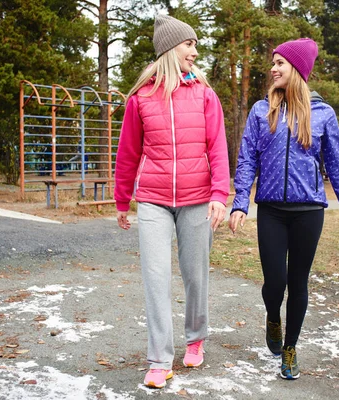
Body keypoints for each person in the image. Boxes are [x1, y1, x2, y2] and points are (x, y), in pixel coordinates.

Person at [228, 38, 339, 381]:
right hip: (271, 210)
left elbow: (336, 165)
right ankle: (273, 316)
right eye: (273, 62)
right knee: (274, 282)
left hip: (308, 212)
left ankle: (290, 349)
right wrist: (241, 202)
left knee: (298, 282)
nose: (273, 68)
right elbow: (247, 160)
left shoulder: (323, 114)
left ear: (298, 70)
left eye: (280, 63)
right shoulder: (261, 111)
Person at [114, 14, 230, 389]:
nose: (195, 52)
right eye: (189, 44)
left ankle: (195, 338)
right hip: (153, 200)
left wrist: (219, 194)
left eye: (195, 44)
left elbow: (218, 147)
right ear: (170, 49)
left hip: (198, 199)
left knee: (195, 276)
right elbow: (128, 153)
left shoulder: (204, 94)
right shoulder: (141, 98)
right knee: (156, 278)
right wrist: (121, 200)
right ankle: (159, 359)